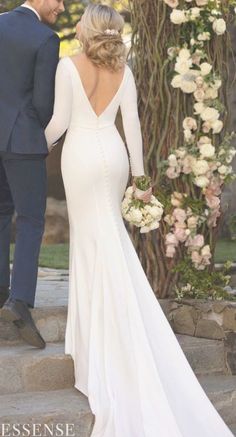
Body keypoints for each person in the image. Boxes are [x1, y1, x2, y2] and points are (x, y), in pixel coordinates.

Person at [45, 4, 234, 437]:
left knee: (92, 244)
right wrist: (140, 177)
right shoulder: (123, 72)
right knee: (110, 239)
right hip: (112, 157)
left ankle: (95, 339)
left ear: (86, 29)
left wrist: (25, 144)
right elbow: (133, 127)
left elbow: (57, 123)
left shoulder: (67, 66)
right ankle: (103, 329)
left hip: (79, 159)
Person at [0, 0, 65, 349]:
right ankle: (20, 302)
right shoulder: (45, 38)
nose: (62, 6)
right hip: (22, 139)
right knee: (31, 220)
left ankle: (1, 294)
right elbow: (43, 103)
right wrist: (37, 133)